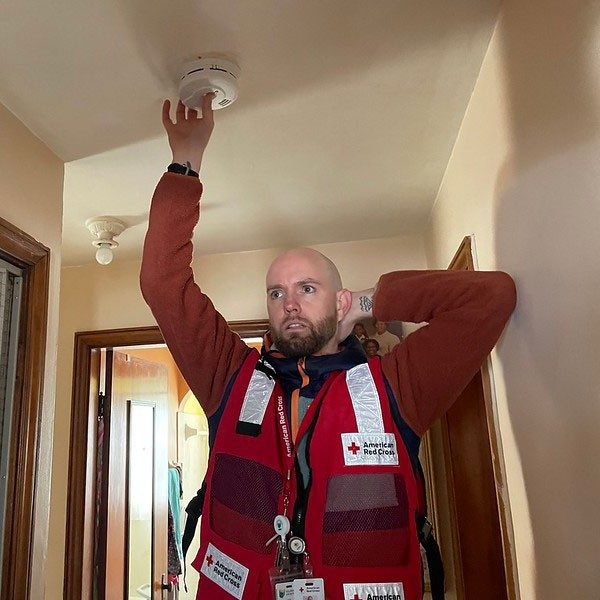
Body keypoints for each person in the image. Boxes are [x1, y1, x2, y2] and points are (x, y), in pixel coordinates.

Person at [140, 94, 517, 600]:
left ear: (338, 301)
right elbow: (163, 283)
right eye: (277, 292)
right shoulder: (228, 375)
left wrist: (367, 301)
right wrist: (185, 161)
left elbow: (489, 299)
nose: (289, 303)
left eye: (307, 289)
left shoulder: (395, 387)